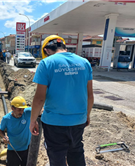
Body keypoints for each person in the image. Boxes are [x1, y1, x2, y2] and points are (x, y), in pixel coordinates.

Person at [29, 35, 94, 166]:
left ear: (46, 50)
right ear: (64, 46)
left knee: (57, 157)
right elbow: (90, 95)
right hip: (78, 120)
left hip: (54, 123)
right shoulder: (84, 62)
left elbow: (39, 98)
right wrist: (87, 115)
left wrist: (32, 121)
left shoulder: (46, 63)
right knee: (76, 153)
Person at [0, 96, 31, 166]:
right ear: (12, 108)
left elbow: (40, 108)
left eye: (23, 109)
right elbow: (0, 130)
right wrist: (4, 137)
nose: (22, 112)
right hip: (13, 150)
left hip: (27, 149)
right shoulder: (6, 119)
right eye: (19, 110)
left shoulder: (27, 112)